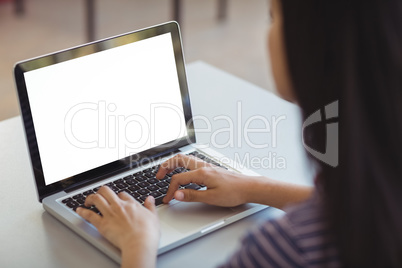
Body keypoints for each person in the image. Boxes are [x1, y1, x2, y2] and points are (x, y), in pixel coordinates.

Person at [77, 0, 402, 267]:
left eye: (273, 16)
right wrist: (253, 187)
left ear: (313, 44)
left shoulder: (285, 251)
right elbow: (354, 206)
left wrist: (138, 246)